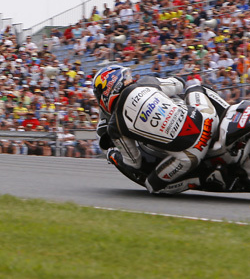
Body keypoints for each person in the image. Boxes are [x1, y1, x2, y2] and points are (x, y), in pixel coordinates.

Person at [93, 64, 230, 194]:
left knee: (153, 186)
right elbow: (179, 84)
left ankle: (200, 180)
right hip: (207, 121)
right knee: (195, 89)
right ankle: (230, 114)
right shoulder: (146, 82)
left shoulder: (115, 126)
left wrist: (113, 154)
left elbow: (133, 163)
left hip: (191, 154)